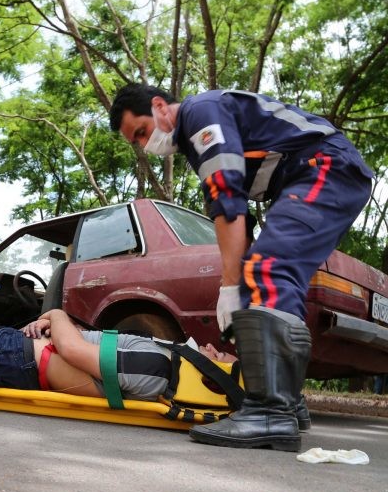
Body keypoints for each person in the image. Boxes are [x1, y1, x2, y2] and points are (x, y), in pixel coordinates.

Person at [110, 84, 373, 451]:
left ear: (158, 106)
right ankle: (286, 401)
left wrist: (231, 287)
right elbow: (235, 221)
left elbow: (228, 199)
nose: (144, 144)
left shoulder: (200, 114)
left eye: (141, 131)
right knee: (269, 276)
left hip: (326, 167)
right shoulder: (196, 141)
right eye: (136, 141)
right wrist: (234, 286)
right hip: (319, 174)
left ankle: (269, 412)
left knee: (268, 269)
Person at [0, 308, 238, 400]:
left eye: (228, 359)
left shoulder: (159, 367)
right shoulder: (166, 362)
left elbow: (72, 350)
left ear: (219, 378)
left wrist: (56, 315)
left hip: (8, 358)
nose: (218, 348)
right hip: (13, 353)